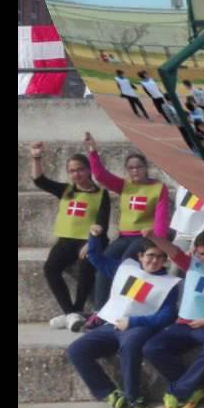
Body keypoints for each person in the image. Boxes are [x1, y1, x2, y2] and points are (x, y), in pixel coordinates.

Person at [67, 235, 180, 408]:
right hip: (110, 325)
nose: (154, 260)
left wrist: (133, 321)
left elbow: (167, 316)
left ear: (165, 260)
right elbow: (96, 258)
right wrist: (94, 237)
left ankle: (133, 396)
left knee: (130, 345)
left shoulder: (169, 283)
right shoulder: (125, 269)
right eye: (150, 255)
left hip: (138, 328)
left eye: (160, 257)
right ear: (140, 256)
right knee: (76, 350)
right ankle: (108, 392)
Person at [142, 227, 204, 408]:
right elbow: (172, 251)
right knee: (151, 347)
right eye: (202, 253)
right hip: (184, 325)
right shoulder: (194, 265)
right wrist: (153, 237)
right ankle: (197, 386)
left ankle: (176, 391)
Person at [84, 132, 171, 323]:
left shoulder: (158, 187)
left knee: (123, 266)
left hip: (144, 239)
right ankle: (99, 311)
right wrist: (92, 151)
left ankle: (119, 310)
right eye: (130, 168)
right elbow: (100, 175)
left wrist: (158, 242)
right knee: (102, 265)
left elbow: (161, 218)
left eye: (138, 167)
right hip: (124, 236)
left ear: (145, 168)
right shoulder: (124, 186)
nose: (135, 171)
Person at [29, 142, 108, 331]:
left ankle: (77, 310)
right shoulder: (65, 190)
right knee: (50, 268)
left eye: (80, 170)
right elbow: (39, 181)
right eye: (72, 171)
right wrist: (36, 157)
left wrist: (91, 243)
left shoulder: (101, 194)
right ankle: (71, 313)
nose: (76, 174)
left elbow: (102, 223)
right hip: (66, 240)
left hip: (89, 241)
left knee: (87, 266)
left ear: (88, 170)